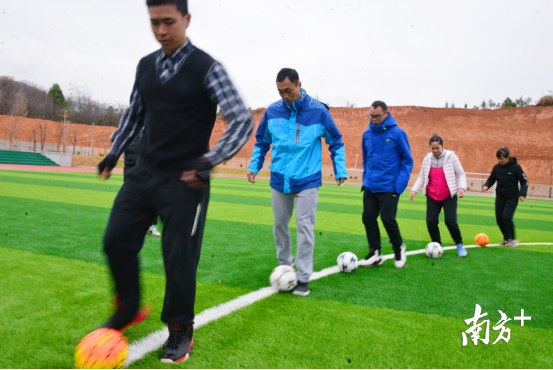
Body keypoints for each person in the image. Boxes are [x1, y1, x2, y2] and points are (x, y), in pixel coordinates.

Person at [97, 0, 253, 363]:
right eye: (154, 23)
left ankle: (180, 329)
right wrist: (114, 152)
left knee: (179, 258)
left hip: (186, 181)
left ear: (187, 19)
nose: (161, 30)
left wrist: (209, 161)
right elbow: (134, 114)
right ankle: (129, 307)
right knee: (115, 240)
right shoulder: (145, 66)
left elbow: (241, 121)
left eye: (169, 22)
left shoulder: (207, 68)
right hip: (143, 175)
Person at [247, 68, 348, 296]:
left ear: (299, 85)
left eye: (289, 90)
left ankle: (303, 278)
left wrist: (340, 168)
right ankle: (285, 264)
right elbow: (262, 141)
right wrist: (254, 166)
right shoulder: (272, 111)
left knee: (304, 227)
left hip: (308, 179)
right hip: (279, 179)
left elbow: (336, 141)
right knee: (279, 226)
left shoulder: (318, 112)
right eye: (280, 91)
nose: (285, 95)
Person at [358, 101, 413, 269]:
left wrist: (399, 186)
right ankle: (374, 252)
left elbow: (407, 161)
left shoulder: (397, 133)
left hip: (389, 187)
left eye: (377, 116)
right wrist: (366, 178)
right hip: (370, 186)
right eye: (371, 116)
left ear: (386, 114)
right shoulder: (366, 134)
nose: (374, 119)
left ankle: (399, 248)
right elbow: (366, 159)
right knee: (368, 217)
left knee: (388, 219)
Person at [410, 134, 468, 257]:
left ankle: (459, 244)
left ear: (442, 146)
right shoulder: (427, 159)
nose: (435, 151)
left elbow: (461, 174)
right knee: (431, 221)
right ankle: (437, 245)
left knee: (450, 221)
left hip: (449, 196)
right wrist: (414, 190)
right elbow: (422, 177)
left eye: (437, 148)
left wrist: (462, 187)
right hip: (432, 196)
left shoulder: (451, 157)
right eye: (433, 148)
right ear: (430, 147)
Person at [482, 147, 528, 248]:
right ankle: (506, 238)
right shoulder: (496, 167)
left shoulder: (516, 167)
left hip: (512, 197)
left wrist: (522, 193)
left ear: (508, 158)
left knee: (506, 217)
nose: (500, 161)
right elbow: (491, 179)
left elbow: (524, 181)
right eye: (498, 158)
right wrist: (486, 185)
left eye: (502, 159)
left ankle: (513, 238)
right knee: (499, 219)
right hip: (500, 197)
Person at [123, 128, 161, 237]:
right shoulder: (130, 121)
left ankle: (150, 225)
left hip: (147, 165)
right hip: (130, 164)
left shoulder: (152, 120)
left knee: (152, 194)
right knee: (129, 196)